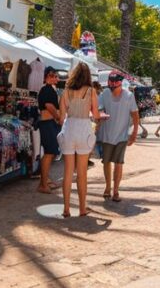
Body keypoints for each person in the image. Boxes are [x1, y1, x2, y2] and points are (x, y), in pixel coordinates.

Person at [58, 63, 100, 217]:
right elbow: (95, 114)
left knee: (68, 171)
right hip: (83, 129)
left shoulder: (65, 92)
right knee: (82, 172)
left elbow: (61, 117)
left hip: (69, 128)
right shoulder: (91, 91)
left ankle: (66, 208)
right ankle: (82, 208)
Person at [96, 72, 139, 202]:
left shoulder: (129, 96)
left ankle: (116, 190)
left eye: (115, 83)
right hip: (106, 134)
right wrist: (101, 114)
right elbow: (99, 109)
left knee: (119, 163)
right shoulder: (104, 94)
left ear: (120, 83)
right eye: (110, 82)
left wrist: (134, 133)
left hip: (122, 135)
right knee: (106, 162)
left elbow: (135, 115)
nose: (112, 85)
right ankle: (108, 187)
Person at [36, 67, 62, 194]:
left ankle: (45, 180)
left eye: (55, 76)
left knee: (50, 153)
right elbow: (49, 105)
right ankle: (43, 184)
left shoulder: (50, 89)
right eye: (52, 75)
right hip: (47, 123)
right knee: (49, 153)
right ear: (46, 76)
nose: (55, 78)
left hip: (50, 123)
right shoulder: (46, 89)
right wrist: (57, 117)